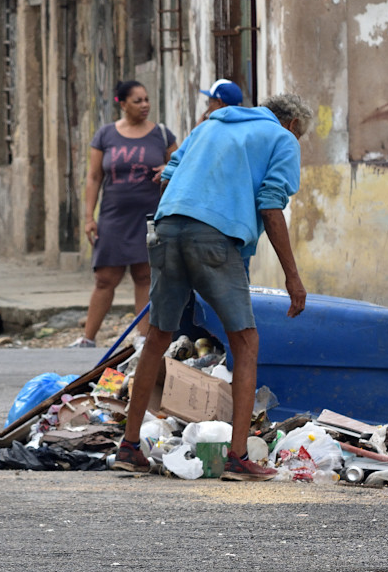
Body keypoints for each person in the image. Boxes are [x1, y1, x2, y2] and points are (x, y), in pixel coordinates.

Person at [114, 93, 313, 481]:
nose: (298, 143)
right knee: (246, 342)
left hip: (167, 226)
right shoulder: (282, 138)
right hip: (216, 238)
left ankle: (129, 447)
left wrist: (179, 229)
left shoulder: (211, 124)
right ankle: (238, 457)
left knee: (157, 336)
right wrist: (293, 276)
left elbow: (168, 177)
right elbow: (271, 206)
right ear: (291, 125)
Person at [72, 80, 178, 347]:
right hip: (113, 216)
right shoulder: (106, 135)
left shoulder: (162, 135)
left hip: (150, 216)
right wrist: (88, 217)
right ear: (122, 103)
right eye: (137, 101)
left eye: (146, 99)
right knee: (105, 277)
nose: (145, 105)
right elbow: (94, 177)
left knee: (144, 275)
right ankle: (88, 338)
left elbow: (182, 167)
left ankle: (143, 338)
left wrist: (168, 167)